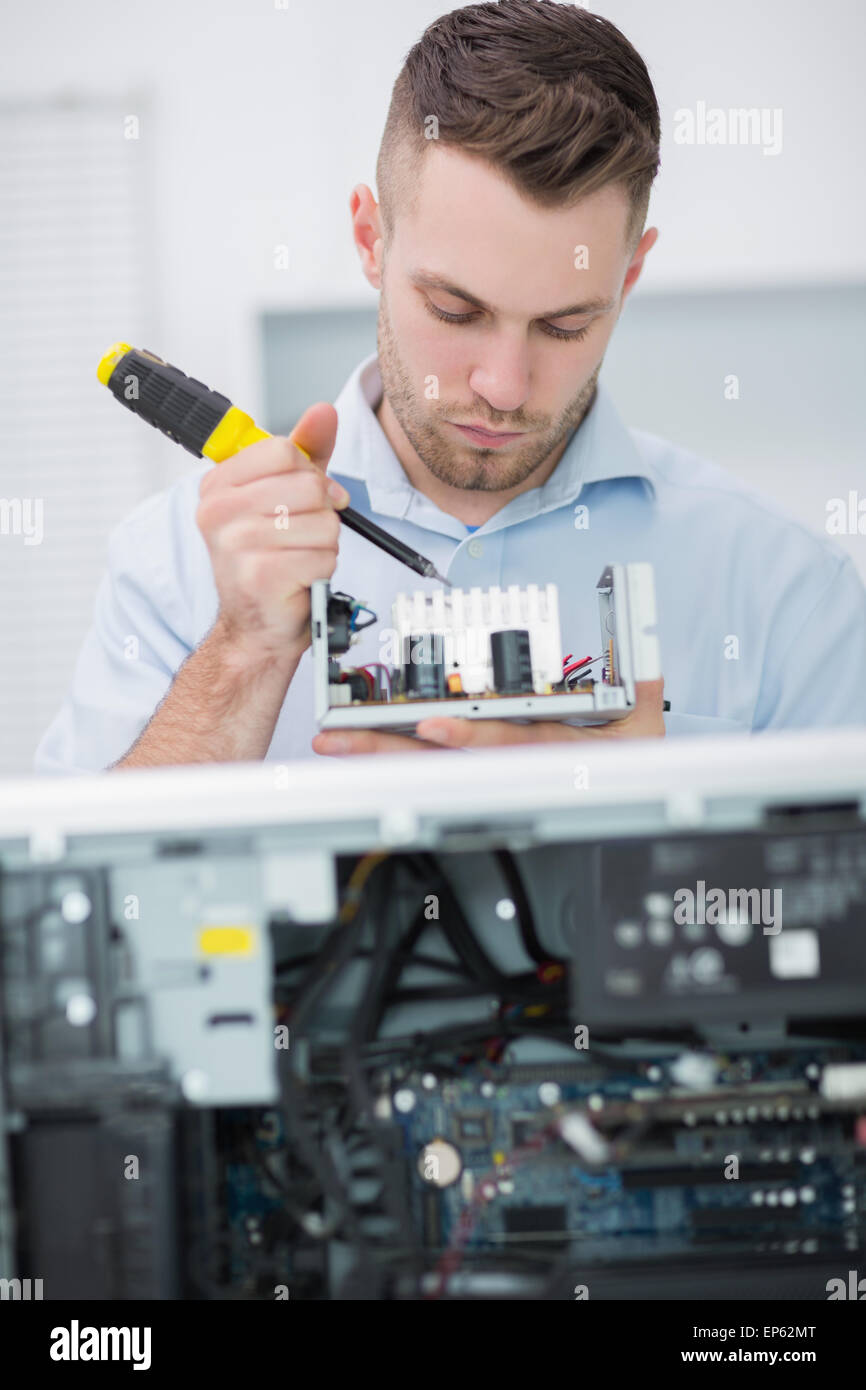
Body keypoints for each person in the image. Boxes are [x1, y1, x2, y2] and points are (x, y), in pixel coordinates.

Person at [34, 1, 866, 773]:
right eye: (454, 310)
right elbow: (74, 910)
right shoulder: (174, 564)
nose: (504, 387)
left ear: (632, 272)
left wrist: (656, 814)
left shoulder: (786, 589)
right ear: (370, 239)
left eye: (565, 325)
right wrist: (241, 656)